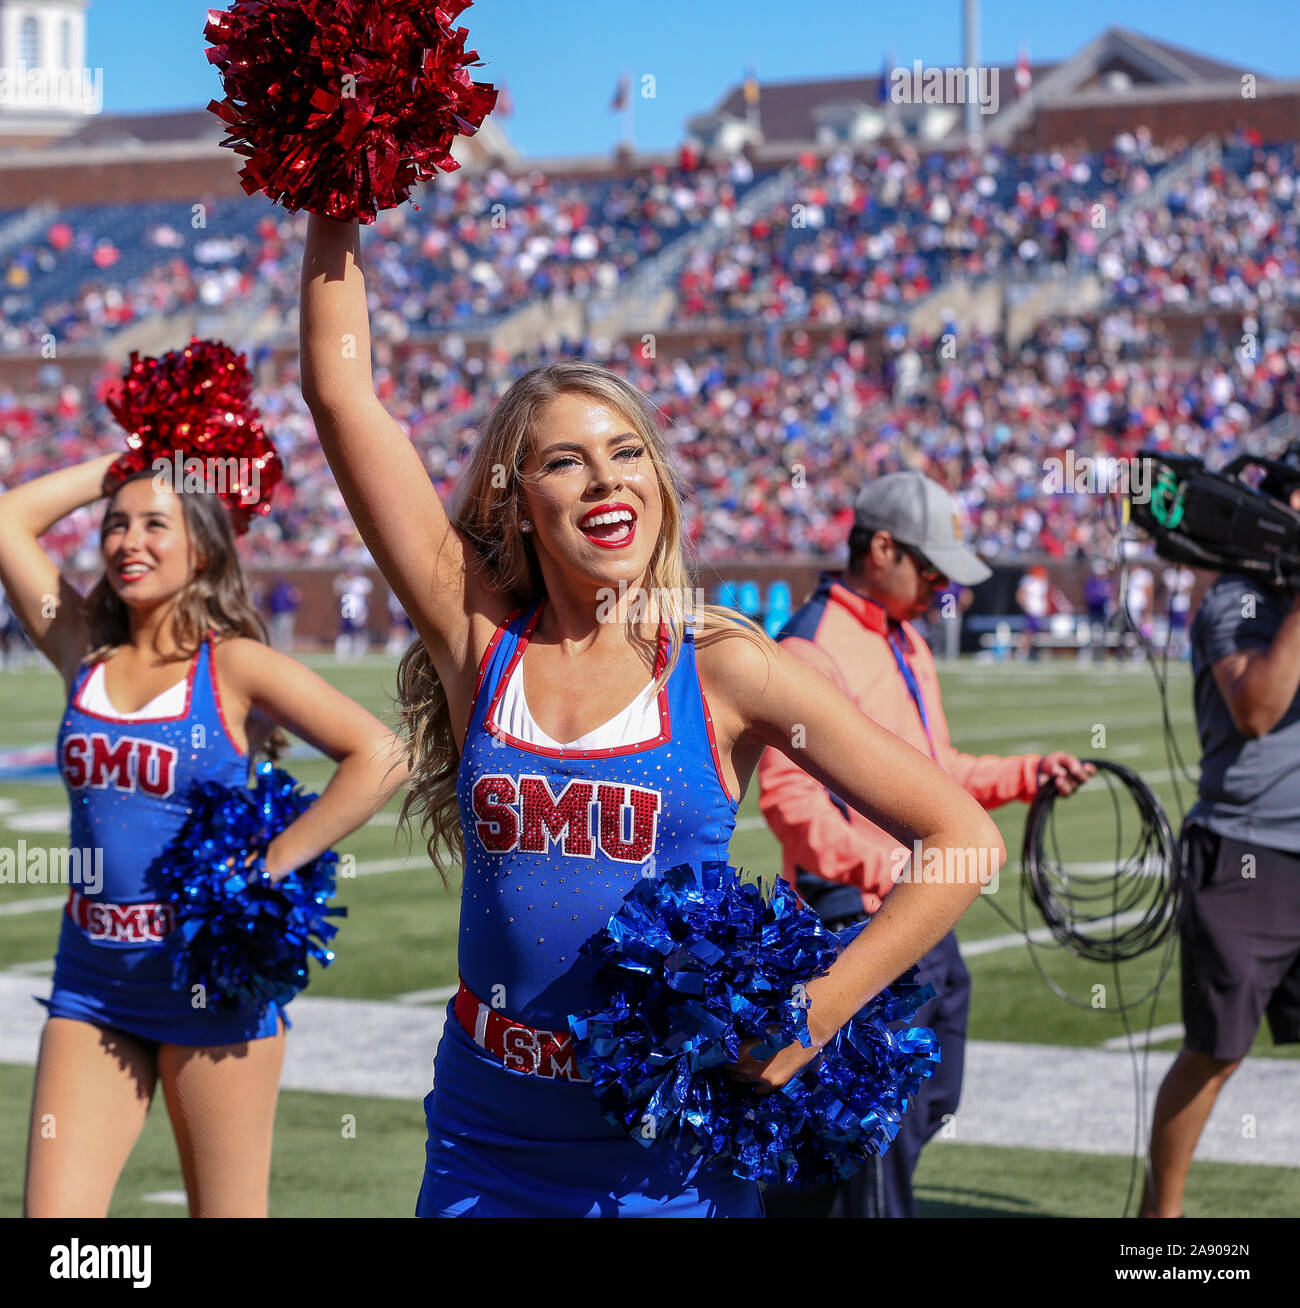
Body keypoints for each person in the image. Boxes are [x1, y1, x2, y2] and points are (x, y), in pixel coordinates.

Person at [299, 213, 1008, 1219]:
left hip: (665, 1156)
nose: (604, 479)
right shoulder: (480, 643)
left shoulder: (724, 668)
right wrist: (335, 195)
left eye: (625, 452)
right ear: (517, 502)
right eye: (564, 462)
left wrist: (810, 1018)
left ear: (658, 487)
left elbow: (962, 840)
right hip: (485, 1134)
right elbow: (341, 395)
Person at [0, 449, 407, 1218]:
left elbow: (381, 753)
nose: (129, 541)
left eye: (156, 524)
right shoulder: (82, 649)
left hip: (211, 983)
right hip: (90, 980)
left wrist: (275, 863)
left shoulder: (234, 666)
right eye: (116, 526)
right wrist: (125, 465)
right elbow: (7, 521)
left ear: (205, 550)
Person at [757, 471, 1095, 1218]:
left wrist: (1027, 774)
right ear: (882, 549)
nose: (945, 587)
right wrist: (893, 867)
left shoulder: (904, 637)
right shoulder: (811, 649)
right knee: (876, 1140)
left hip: (914, 915)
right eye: (934, 569)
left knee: (925, 1102)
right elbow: (790, 800)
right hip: (854, 921)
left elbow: (934, 773)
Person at [1141, 465, 1300, 1218]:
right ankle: (1159, 1218)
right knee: (1216, 1051)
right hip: (1248, 855)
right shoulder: (1237, 598)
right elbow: (1257, 709)